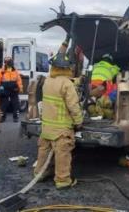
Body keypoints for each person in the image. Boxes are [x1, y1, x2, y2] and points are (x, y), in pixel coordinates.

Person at [34, 50, 83, 190]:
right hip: (61, 128)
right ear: (67, 68)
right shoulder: (67, 84)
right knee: (63, 153)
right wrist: (79, 121)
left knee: (44, 150)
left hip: (47, 127)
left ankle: (40, 174)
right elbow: (73, 106)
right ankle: (63, 180)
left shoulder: (47, 81)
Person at [0, 56, 23, 123]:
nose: (10, 63)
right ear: (5, 63)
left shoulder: (15, 71)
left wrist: (20, 88)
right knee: (3, 105)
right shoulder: (1, 71)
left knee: (15, 104)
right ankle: (2, 117)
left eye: (11, 61)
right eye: (9, 61)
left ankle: (15, 117)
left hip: (13, 89)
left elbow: (19, 80)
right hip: (4, 89)